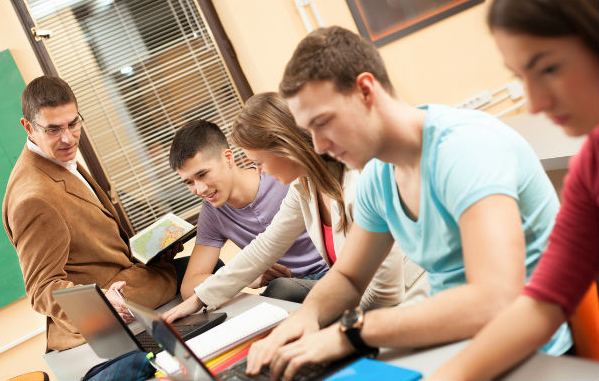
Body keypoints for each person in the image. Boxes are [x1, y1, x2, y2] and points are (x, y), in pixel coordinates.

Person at [244, 26, 572, 380]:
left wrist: (352, 332)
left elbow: (492, 301)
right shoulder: (378, 177)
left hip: (534, 357)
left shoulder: (466, 150)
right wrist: (306, 317)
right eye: (310, 130)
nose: (319, 145)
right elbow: (349, 277)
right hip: (451, 346)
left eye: (323, 122)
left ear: (365, 90)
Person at [432, 0, 599, 379]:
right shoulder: (591, 166)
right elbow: (544, 302)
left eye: (549, 68)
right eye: (520, 76)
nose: (536, 102)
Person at [163, 93, 429, 323]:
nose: (259, 170)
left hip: (411, 301)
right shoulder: (303, 187)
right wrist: (199, 299)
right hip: (369, 305)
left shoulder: (355, 181)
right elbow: (266, 246)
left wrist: (318, 322)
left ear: (283, 148)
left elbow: (383, 293)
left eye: (259, 161)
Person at [2, 76, 179, 351]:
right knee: (208, 274)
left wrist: (152, 251)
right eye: (53, 129)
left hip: (133, 283)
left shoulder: (57, 158)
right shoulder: (34, 197)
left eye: (73, 123)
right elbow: (40, 289)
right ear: (28, 127)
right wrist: (101, 300)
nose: (67, 137)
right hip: (107, 318)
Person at [168, 119, 328, 300]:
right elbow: (189, 287)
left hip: (333, 273)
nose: (200, 189)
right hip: (294, 290)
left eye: (203, 174)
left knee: (278, 290)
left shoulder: (281, 175)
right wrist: (247, 277)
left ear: (228, 158)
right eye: (189, 182)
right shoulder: (213, 213)